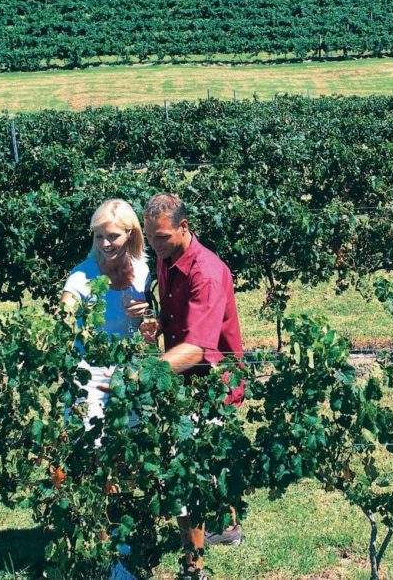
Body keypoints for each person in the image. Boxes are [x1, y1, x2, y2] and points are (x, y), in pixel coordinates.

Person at [142, 193, 246, 580]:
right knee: (202, 466)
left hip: (212, 383)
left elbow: (200, 349)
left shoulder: (206, 271)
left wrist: (145, 374)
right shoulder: (167, 257)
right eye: (150, 237)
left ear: (184, 228)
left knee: (187, 477)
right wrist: (156, 324)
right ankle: (228, 529)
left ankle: (193, 567)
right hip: (186, 378)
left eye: (162, 237)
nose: (155, 245)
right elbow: (180, 324)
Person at [61, 199, 156, 431]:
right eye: (99, 236)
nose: (105, 243)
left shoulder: (144, 272)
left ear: (130, 235)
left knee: (129, 446)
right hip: (90, 374)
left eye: (113, 236)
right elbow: (64, 320)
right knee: (90, 447)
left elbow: (157, 321)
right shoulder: (81, 277)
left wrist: (149, 313)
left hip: (131, 374)